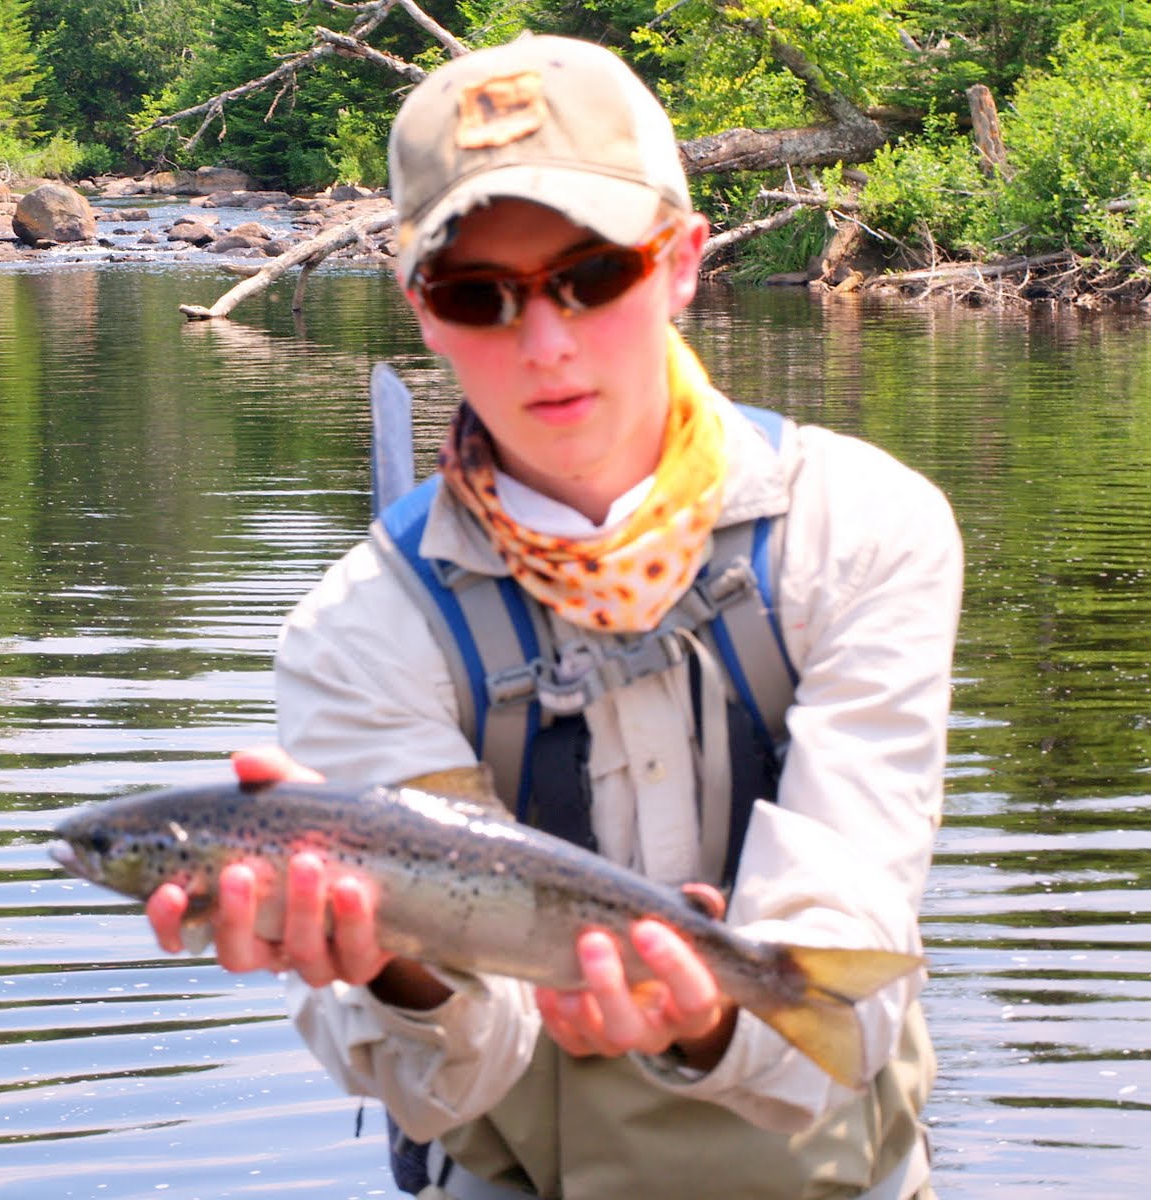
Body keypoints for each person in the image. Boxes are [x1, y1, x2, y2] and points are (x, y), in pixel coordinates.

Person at [145, 32, 962, 1200]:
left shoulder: (865, 530)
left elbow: (846, 982)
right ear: (419, 310)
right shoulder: (358, 631)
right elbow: (444, 1089)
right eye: (478, 293)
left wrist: (706, 1021)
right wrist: (399, 980)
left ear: (681, 261)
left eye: (593, 276)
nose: (547, 341)